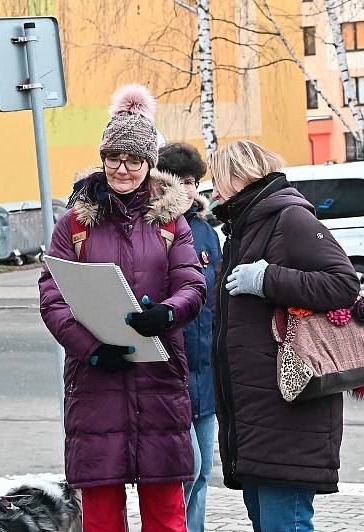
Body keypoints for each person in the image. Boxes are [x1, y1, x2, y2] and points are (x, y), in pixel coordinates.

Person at [39, 84, 207, 532]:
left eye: (134, 160)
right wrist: (90, 349)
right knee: (101, 519)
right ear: (103, 158)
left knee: (166, 515)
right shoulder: (74, 222)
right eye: (114, 157)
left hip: (158, 381)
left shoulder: (171, 221)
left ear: (149, 163)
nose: (122, 168)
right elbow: (52, 296)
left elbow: (192, 283)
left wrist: (168, 313)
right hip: (96, 381)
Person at [208, 140, 359, 532]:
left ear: (238, 175)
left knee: (285, 525)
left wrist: (266, 279)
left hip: (289, 410)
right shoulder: (243, 228)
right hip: (257, 413)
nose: (213, 191)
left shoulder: (290, 218)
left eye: (217, 180)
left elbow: (343, 283)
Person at [157, 143, 220, 532]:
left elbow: (215, 299)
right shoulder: (155, 230)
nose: (189, 190)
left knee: (203, 475)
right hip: (172, 372)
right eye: (180, 182)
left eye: (193, 181)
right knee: (187, 470)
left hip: (206, 372)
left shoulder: (205, 232)